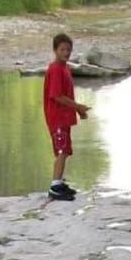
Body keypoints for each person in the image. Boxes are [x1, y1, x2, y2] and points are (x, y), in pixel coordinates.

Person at [43, 32, 90, 201]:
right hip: (57, 118)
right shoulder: (55, 69)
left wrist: (77, 110)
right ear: (55, 50)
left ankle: (60, 182)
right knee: (61, 150)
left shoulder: (65, 68)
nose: (66, 53)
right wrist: (77, 106)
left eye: (68, 50)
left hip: (64, 118)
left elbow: (66, 93)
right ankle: (55, 186)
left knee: (65, 149)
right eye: (62, 49)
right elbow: (57, 96)